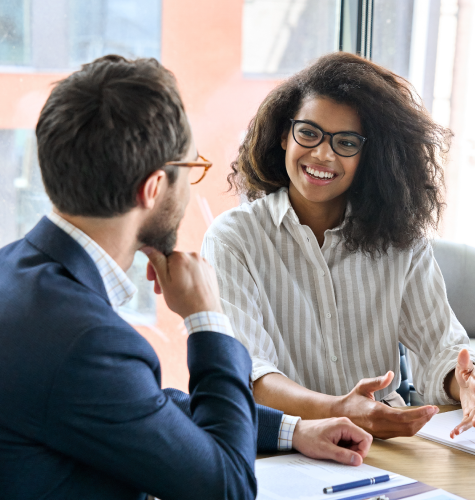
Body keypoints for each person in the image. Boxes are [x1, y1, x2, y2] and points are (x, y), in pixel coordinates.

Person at [0, 55, 373, 500]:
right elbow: (228, 488)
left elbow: (137, 407)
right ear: (152, 188)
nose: (191, 186)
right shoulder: (82, 341)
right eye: (189, 169)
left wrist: (291, 430)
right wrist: (207, 318)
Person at [202, 52, 475, 440]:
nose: (323, 154)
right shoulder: (234, 239)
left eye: (346, 142)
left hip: (386, 443)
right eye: (309, 133)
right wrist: (339, 411)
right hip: (287, 445)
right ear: (284, 135)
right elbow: (250, 374)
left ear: (370, 156)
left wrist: (464, 383)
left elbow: (442, 352)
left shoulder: (401, 240)